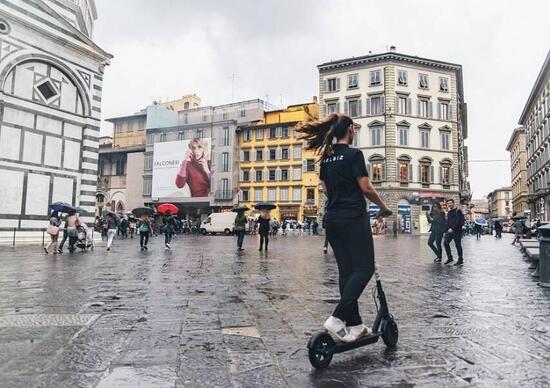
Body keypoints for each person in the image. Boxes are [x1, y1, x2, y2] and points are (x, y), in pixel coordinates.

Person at [297, 113, 392, 343]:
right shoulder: (354, 154)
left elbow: (326, 189)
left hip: (332, 218)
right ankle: (337, 318)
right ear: (350, 129)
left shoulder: (325, 159)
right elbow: (366, 187)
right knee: (365, 268)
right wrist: (383, 206)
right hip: (352, 217)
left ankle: (356, 325)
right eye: (354, 128)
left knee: (347, 272)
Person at [443, 199, 465, 266]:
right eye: (448, 203)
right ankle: (450, 258)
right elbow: (448, 222)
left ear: (453, 203)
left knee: (458, 245)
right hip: (450, 231)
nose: (449, 204)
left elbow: (458, 221)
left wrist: (452, 228)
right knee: (445, 243)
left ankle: (460, 260)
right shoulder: (449, 212)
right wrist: (446, 230)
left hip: (457, 231)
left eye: (450, 203)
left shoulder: (457, 211)